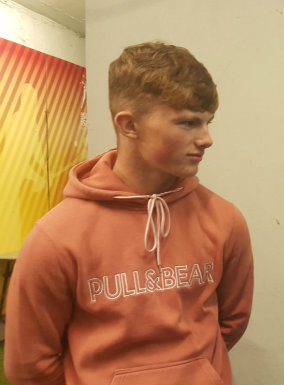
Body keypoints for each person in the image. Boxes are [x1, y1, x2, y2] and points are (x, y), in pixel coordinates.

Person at [4, 42, 254, 385]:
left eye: (208, 122)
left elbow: (231, 322)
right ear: (129, 125)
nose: (206, 138)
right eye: (188, 123)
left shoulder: (224, 219)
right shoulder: (56, 237)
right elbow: (30, 364)